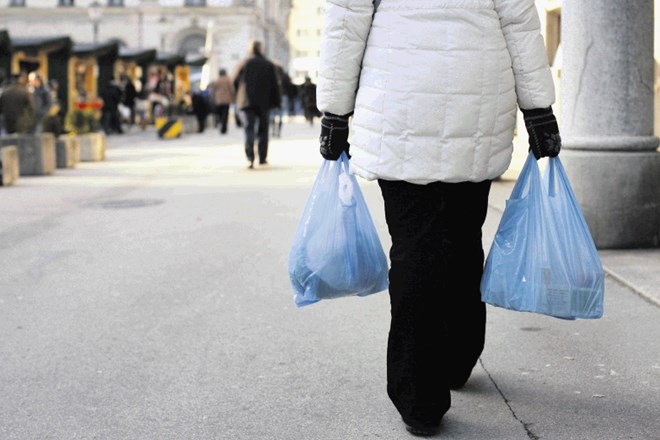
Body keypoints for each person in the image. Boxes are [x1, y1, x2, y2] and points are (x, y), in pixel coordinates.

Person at [316, 0, 561, 437]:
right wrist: (538, 108)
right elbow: (520, 22)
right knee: (464, 239)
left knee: (414, 250)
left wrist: (335, 112)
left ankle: (419, 398)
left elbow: (345, 23)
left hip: (399, 103)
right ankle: (457, 356)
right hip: (480, 102)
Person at [232, 40, 281, 169]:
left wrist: (239, 96)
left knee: (249, 129)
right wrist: (276, 102)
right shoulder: (268, 64)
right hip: (264, 102)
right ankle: (262, 159)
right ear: (260, 49)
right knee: (263, 130)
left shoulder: (244, 63)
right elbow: (275, 85)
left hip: (246, 101)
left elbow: (235, 81)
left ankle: (250, 158)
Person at [208, 68, 234, 134]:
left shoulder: (217, 80)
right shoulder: (228, 80)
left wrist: (212, 98)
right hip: (227, 100)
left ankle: (220, 124)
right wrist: (233, 98)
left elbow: (213, 90)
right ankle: (224, 128)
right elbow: (232, 89)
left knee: (220, 114)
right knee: (225, 114)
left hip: (218, 100)